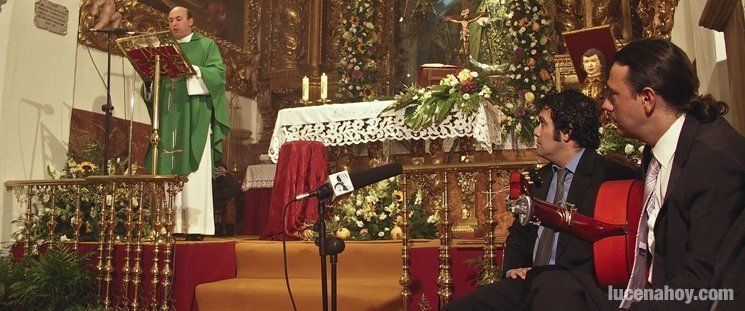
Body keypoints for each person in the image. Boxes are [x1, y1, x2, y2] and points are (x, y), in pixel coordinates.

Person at [447, 90, 638, 311]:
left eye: (542, 124)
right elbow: (520, 233)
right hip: (530, 280)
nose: (536, 132)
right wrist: (513, 269)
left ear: (566, 132)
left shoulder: (611, 176)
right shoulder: (541, 179)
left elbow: (618, 248)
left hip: (579, 287)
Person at [602, 38, 745, 310]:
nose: (607, 106)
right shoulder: (658, 148)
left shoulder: (714, 161)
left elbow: (703, 283)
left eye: (613, 95)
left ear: (647, 99)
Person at [143, 6, 229, 240]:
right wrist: (149, 83)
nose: (173, 24)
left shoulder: (206, 45)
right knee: (166, 166)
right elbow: (152, 83)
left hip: (194, 116)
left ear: (191, 21)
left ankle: (195, 227)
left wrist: (192, 70)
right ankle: (167, 225)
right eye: (170, 20)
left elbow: (218, 76)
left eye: (178, 19)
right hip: (169, 117)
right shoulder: (164, 50)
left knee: (194, 171)